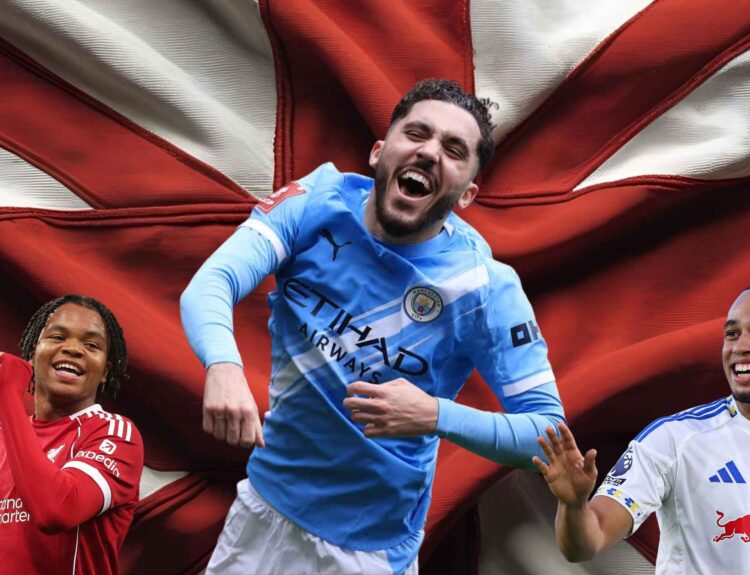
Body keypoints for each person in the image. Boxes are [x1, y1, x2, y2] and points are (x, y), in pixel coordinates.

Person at [181, 78, 565, 575]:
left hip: (367, 553)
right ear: (379, 151)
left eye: (453, 150)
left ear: (468, 193)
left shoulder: (484, 287)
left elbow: (546, 432)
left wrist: (434, 414)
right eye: (417, 133)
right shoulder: (316, 202)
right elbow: (214, 281)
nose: (429, 152)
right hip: (262, 509)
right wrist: (223, 364)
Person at [533, 287, 750, 574]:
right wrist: (573, 505)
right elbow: (588, 540)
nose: (740, 346)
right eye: (732, 334)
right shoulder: (675, 439)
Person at [0, 295, 144, 575]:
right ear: (32, 355)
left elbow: (55, 510)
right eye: (57, 337)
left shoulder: (115, 434)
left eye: (91, 345)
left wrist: (8, 392)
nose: (73, 349)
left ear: (105, 372)